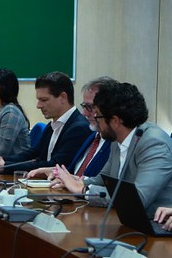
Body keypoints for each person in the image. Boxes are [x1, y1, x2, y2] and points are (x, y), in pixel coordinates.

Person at [51, 80, 172, 216]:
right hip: (123, 219)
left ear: (115, 121)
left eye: (98, 116)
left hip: (155, 225)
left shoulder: (154, 144)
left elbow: (137, 199)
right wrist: (72, 181)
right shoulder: (117, 139)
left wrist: (85, 190)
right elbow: (102, 179)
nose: (95, 120)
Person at [0, 71, 91, 172]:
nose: (38, 105)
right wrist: (1, 159)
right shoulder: (52, 125)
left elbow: (54, 166)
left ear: (63, 97)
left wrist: (4, 166)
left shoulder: (79, 128)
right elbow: (32, 154)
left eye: (44, 100)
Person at [27, 76, 116, 180]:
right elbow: (74, 174)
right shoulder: (93, 136)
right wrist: (56, 173)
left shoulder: (112, 141)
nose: (84, 113)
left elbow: (101, 182)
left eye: (90, 107)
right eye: (84, 106)